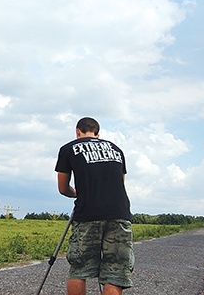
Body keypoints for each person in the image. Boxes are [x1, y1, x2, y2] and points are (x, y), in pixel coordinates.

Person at [55, 117, 133, 295]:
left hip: (88, 214)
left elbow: (62, 188)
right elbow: (120, 183)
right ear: (98, 133)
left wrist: (77, 193)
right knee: (115, 274)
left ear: (77, 131)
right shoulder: (116, 150)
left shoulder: (68, 149)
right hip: (119, 213)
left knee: (79, 269)